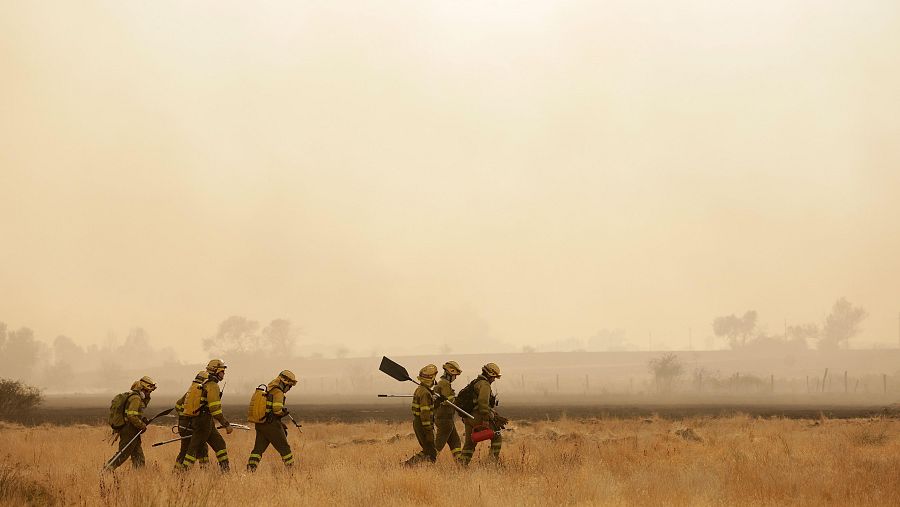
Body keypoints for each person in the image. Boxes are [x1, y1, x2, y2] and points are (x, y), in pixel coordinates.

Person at [176, 359, 233, 471]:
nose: (224, 374)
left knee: (220, 444)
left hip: (203, 422)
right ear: (216, 371)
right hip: (204, 423)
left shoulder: (199, 385)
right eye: (222, 371)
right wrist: (226, 424)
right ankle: (181, 475)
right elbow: (215, 409)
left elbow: (178, 405)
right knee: (193, 448)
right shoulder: (212, 386)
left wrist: (187, 420)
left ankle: (225, 471)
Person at [247, 370, 298, 470]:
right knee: (285, 448)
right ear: (285, 382)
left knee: (258, 450)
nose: (290, 388)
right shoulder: (278, 392)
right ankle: (291, 471)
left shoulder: (270, 389)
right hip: (272, 425)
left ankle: (250, 470)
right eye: (290, 386)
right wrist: (284, 413)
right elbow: (277, 410)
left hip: (261, 424)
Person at [108, 376, 156, 469]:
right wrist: (142, 425)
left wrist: (140, 421)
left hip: (132, 429)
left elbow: (135, 414)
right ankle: (105, 471)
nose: (148, 393)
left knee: (138, 455)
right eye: (147, 391)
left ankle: (139, 475)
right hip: (129, 430)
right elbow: (131, 415)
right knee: (123, 454)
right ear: (142, 389)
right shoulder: (136, 398)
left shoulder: (135, 397)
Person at [459, 363, 502, 465]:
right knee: (497, 435)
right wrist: (486, 419)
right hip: (478, 416)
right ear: (489, 375)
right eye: (493, 377)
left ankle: (462, 465)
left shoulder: (475, 382)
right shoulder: (485, 385)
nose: (494, 380)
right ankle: (492, 463)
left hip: (468, 417)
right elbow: (483, 402)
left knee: (469, 443)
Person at [174, 370, 210, 467]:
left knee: (186, 450)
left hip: (184, 426)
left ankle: (177, 471)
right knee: (200, 448)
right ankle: (203, 470)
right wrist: (188, 418)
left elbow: (178, 405)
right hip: (188, 426)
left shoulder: (191, 392)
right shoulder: (197, 393)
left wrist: (183, 417)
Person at [404, 364, 438, 465]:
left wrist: (437, 402)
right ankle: (408, 465)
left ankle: (410, 465)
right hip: (423, 425)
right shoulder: (425, 393)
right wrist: (428, 431)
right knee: (431, 452)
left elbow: (427, 408)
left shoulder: (421, 390)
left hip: (419, 423)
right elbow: (425, 413)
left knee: (428, 450)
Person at [434, 361, 463, 461]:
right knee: (438, 445)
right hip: (444, 419)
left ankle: (460, 463)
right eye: (454, 375)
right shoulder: (444, 384)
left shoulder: (443, 383)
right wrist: (459, 401)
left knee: (455, 442)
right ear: (449, 374)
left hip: (447, 419)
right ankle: (427, 462)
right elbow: (448, 401)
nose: (455, 378)